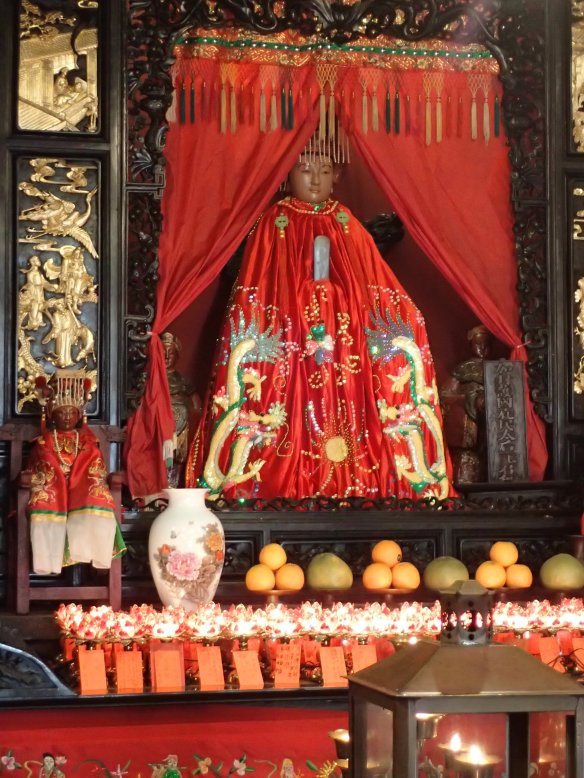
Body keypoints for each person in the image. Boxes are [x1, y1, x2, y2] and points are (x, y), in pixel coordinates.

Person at [186, 148, 454, 501]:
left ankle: (359, 477)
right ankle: (277, 475)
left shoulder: (346, 221)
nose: (315, 179)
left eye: (325, 170)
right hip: (289, 342)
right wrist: (300, 307)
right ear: (286, 175)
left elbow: (374, 283)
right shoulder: (274, 222)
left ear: (336, 177)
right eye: (305, 169)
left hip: (346, 345)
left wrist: (383, 313)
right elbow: (257, 289)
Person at [27, 370, 125, 574]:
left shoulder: (88, 442)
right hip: (52, 484)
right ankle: (49, 560)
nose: (67, 417)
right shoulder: (44, 441)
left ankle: (89, 552)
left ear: (79, 416)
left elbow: (95, 464)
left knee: (98, 497)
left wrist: (76, 477)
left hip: (84, 484)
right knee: (43, 498)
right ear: (52, 415)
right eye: (62, 413)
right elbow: (38, 466)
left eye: (71, 413)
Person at [440, 324, 492, 483]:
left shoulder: (496, 368)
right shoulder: (464, 368)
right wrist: (468, 399)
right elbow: (446, 394)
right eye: (478, 345)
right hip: (470, 416)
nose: (482, 349)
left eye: (485, 345)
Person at [161, 331, 200, 487]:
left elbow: (196, 402)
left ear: (177, 356)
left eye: (171, 353)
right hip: (161, 425)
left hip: (181, 424)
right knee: (161, 457)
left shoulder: (182, 380)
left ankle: (173, 485)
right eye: (163, 353)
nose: (166, 357)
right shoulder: (151, 378)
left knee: (178, 457)